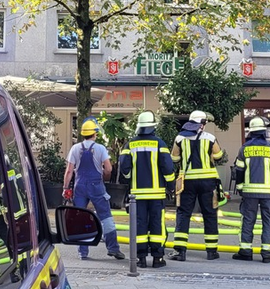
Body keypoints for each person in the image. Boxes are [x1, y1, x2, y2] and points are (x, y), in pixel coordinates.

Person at [62, 118, 125, 260]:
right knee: (106, 217)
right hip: (96, 186)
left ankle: (82, 252)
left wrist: (66, 188)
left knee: (81, 217)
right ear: (95, 134)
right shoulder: (101, 148)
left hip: (80, 186)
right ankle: (113, 248)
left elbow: (69, 171)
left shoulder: (75, 148)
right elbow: (108, 169)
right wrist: (103, 174)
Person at [119, 110, 175, 269]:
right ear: (153, 127)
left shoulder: (129, 145)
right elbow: (168, 168)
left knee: (139, 225)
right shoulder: (160, 144)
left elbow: (124, 168)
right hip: (157, 194)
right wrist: (170, 186)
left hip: (136, 195)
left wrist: (130, 177)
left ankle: (140, 259)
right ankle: (158, 259)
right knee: (157, 225)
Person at [169, 110, 225, 261]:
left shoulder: (180, 138)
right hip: (208, 182)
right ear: (202, 124)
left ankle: (180, 251)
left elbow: (174, 158)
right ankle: (212, 251)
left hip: (187, 182)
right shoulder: (210, 138)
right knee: (210, 214)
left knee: (183, 213)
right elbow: (219, 156)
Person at [232, 117, 270, 263]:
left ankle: (245, 251)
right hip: (269, 193)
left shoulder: (244, 148)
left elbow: (239, 171)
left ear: (251, 132)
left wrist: (240, 188)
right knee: (268, 221)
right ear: (263, 132)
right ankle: (267, 254)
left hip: (249, 192)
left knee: (248, 220)